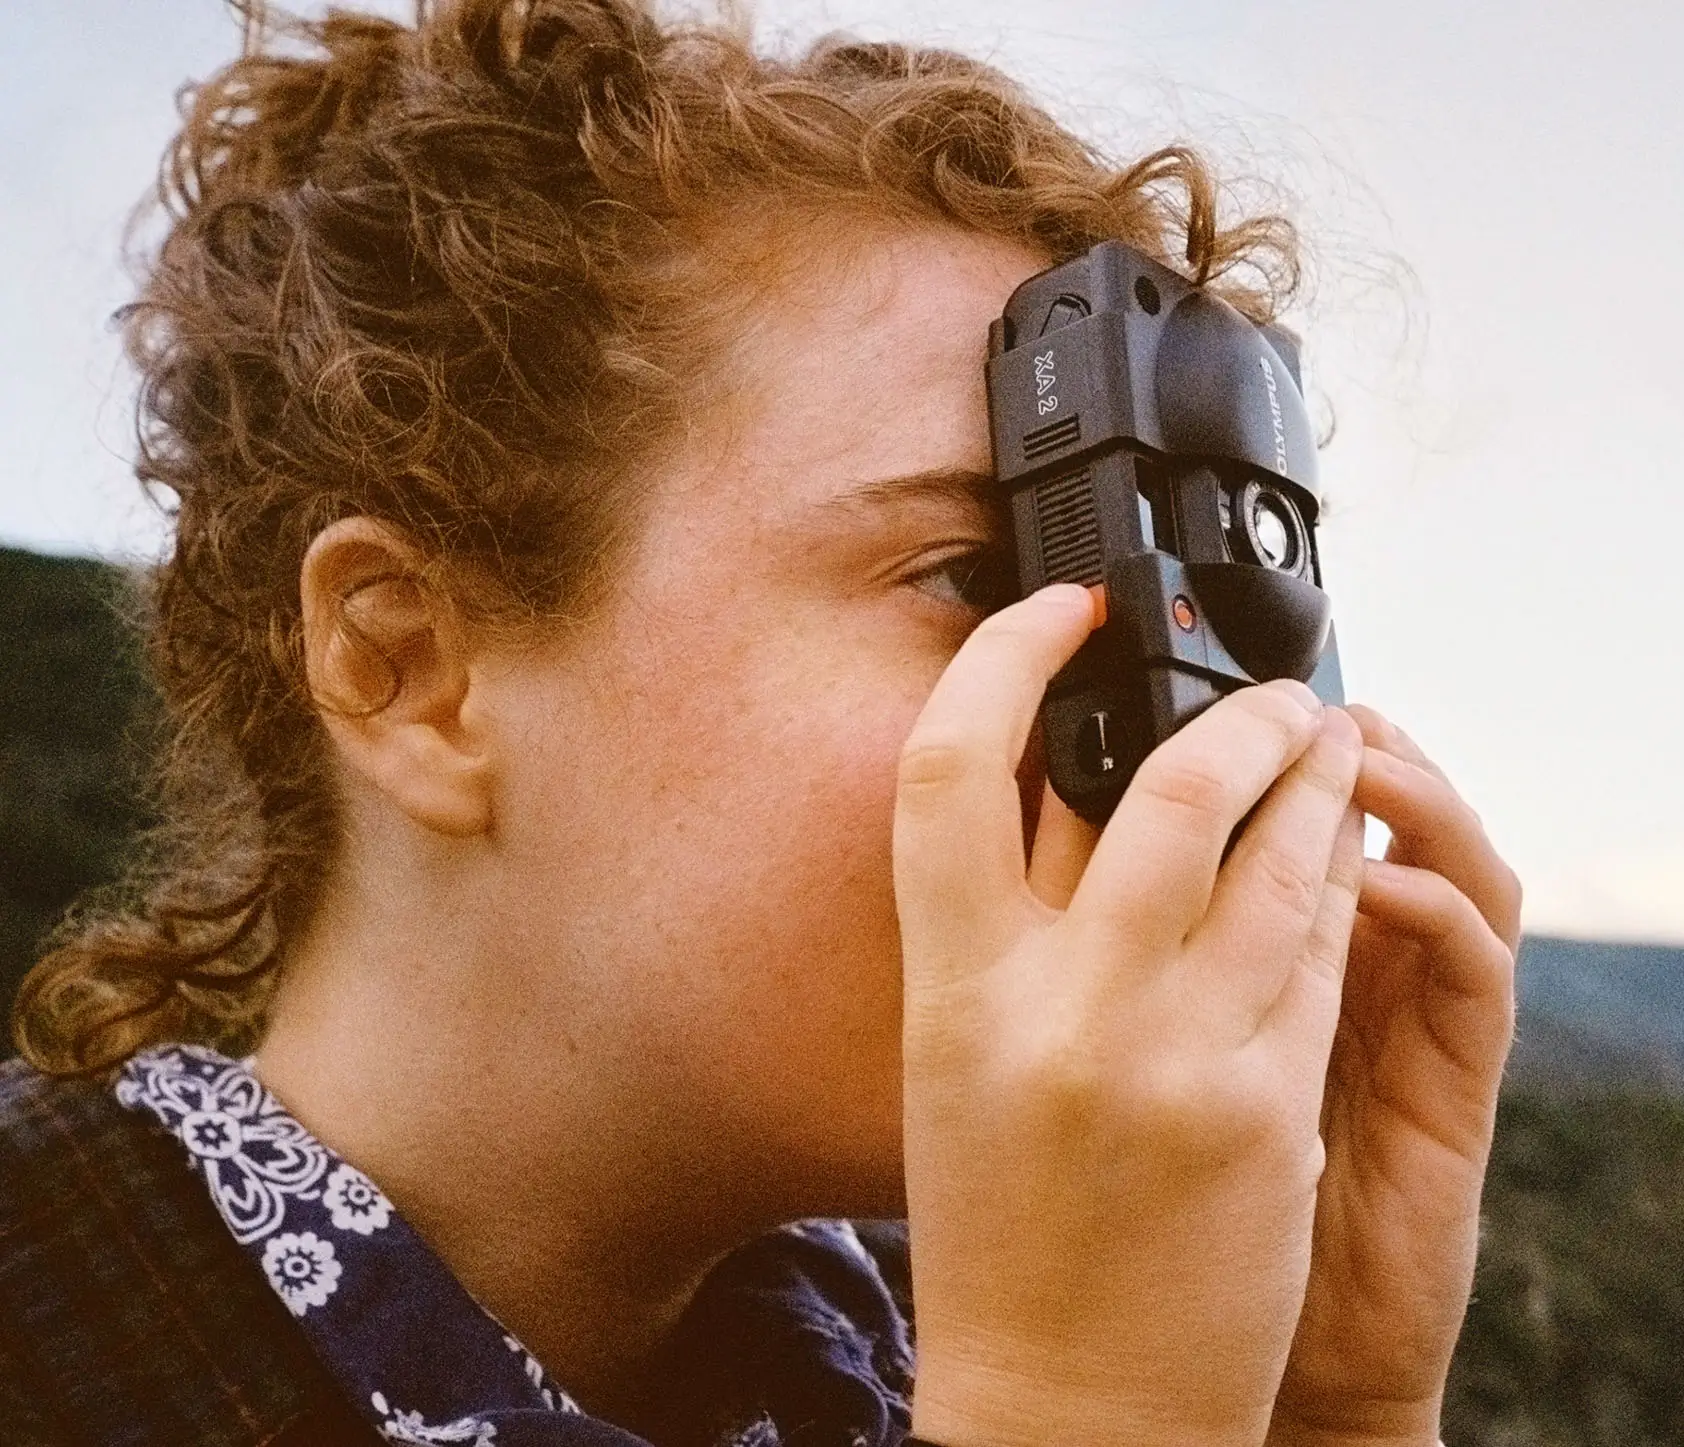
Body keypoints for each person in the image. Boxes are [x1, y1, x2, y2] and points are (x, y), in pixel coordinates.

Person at [0, 1, 1521, 1444]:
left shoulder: (909, 1360)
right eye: (980, 572)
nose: (1182, 753)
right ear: (414, 669)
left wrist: (1315, 1412)